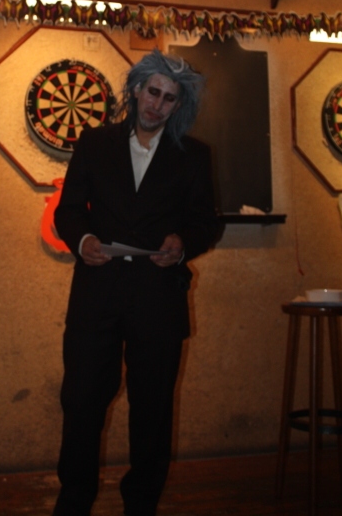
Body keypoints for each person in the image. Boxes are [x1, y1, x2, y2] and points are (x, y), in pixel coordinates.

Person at [52, 49, 219, 516]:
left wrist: (181, 245)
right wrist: (82, 240)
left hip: (158, 299)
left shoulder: (193, 155)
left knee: (153, 411)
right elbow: (69, 210)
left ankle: (141, 506)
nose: (157, 105)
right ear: (137, 89)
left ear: (178, 105)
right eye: (153, 92)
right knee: (81, 404)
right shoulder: (94, 142)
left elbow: (206, 223)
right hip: (96, 296)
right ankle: (73, 503)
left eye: (169, 98)